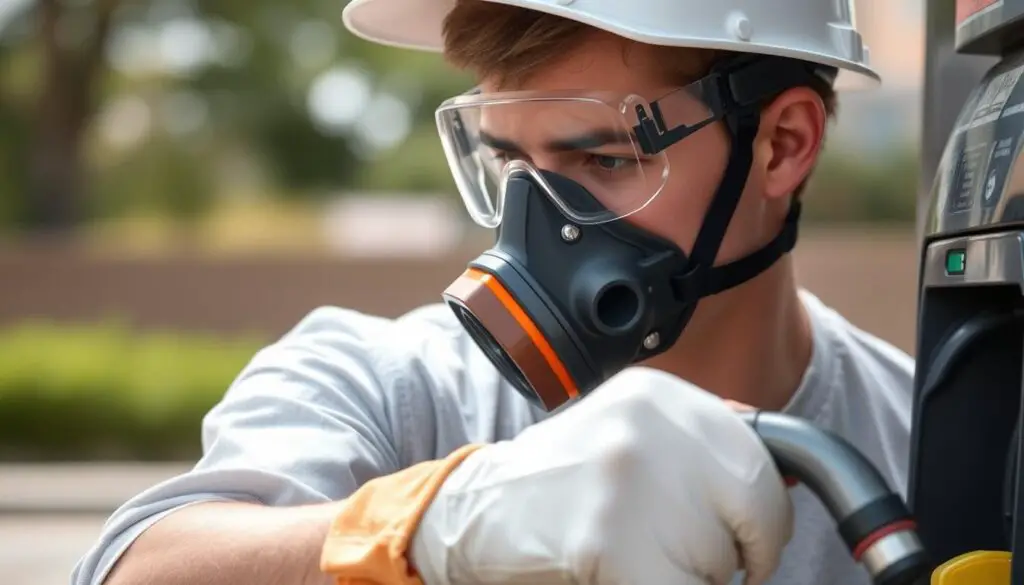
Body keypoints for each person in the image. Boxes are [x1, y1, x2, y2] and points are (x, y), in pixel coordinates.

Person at [71, 1, 914, 584]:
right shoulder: (390, 387)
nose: (538, 222)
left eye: (606, 160)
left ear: (781, 143)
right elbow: (139, 565)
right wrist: (439, 527)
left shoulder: (928, 435)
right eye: (513, 163)